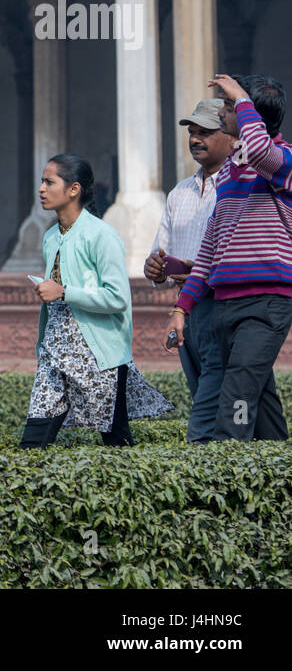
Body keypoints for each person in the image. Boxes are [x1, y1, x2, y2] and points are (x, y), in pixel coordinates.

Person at [166, 73, 292, 442]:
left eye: (228, 105)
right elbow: (209, 250)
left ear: (249, 112)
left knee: (235, 396)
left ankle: (225, 463)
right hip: (225, 305)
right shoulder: (230, 176)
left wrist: (242, 98)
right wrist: (181, 308)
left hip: (266, 304)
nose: (222, 111)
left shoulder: (282, 162)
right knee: (260, 400)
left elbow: (261, 152)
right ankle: (279, 470)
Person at [21, 154, 173, 448]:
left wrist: (64, 292)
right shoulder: (51, 236)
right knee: (34, 441)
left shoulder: (102, 235)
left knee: (116, 442)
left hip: (99, 355)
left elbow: (117, 298)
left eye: (49, 182)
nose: (41, 188)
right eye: (42, 181)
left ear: (73, 189)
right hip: (55, 352)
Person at [143, 98, 233, 442]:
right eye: (192, 132)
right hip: (185, 312)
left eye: (206, 132)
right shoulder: (179, 192)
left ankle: (203, 451)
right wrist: (156, 269)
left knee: (208, 409)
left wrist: (204, 270)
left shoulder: (238, 188)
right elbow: (159, 253)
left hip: (221, 307)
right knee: (206, 394)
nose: (195, 139)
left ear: (230, 136)